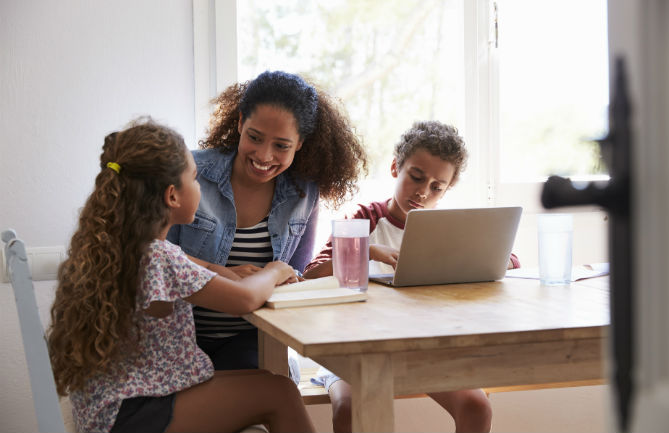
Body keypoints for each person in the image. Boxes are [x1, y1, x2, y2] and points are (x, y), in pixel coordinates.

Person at [47, 119, 315, 433]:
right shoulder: (159, 257)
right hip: (134, 413)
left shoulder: (129, 247)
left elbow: (196, 265)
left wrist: (226, 272)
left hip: (114, 408)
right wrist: (275, 269)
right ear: (173, 196)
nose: (200, 189)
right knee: (280, 393)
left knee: (269, 381)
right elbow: (244, 300)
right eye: (196, 179)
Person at [304, 120, 520, 433]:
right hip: (354, 347)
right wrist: (367, 250)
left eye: (437, 187)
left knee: (477, 406)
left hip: (419, 347)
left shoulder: (446, 228)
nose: (422, 191)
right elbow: (312, 273)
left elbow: (510, 259)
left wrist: (475, 255)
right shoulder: (365, 218)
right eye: (416, 177)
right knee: (350, 409)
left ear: (447, 190)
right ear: (395, 168)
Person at [167, 70, 367, 372]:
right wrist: (221, 274)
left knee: (275, 382)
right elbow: (154, 258)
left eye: (281, 146)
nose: (264, 155)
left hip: (253, 340)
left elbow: (293, 272)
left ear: (300, 143)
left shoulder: (304, 192)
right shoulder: (190, 173)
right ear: (239, 123)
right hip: (179, 338)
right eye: (254, 138)